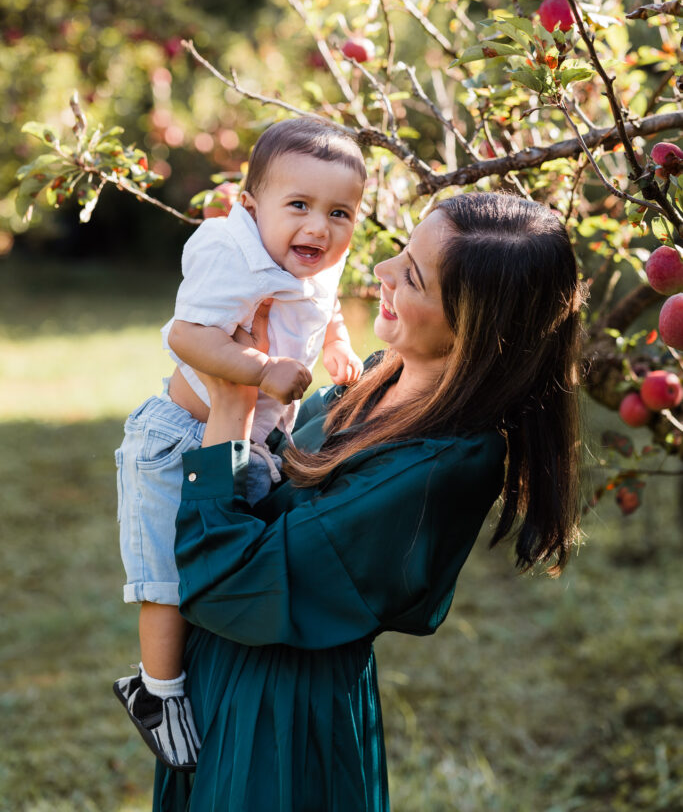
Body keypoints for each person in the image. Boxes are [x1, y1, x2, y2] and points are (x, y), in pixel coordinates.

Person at [148, 190, 585, 812]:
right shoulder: (381, 375)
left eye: (411, 275)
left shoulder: (442, 460)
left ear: (473, 325)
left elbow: (230, 586)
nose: (380, 270)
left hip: (282, 712)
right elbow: (270, 486)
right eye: (400, 252)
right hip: (219, 676)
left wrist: (229, 409)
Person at [113, 118, 367, 772]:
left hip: (250, 442)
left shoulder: (312, 258)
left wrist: (335, 341)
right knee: (165, 580)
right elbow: (186, 336)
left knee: (220, 569)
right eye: (299, 206)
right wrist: (256, 370)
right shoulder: (230, 251)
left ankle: (198, 676)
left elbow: (323, 302)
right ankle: (156, 691)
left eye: (339, 212)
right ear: (251, 209)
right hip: (179, 439)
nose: (318, 227)